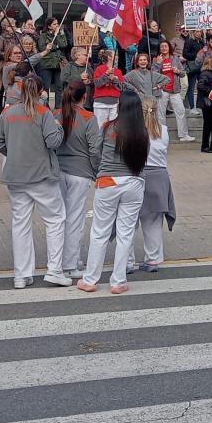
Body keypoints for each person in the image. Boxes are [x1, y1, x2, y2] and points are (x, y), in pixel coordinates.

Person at [0, 73, 67, 289]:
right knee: (54, 220)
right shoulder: (44, 113)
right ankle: (54, 270)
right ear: (41, 92)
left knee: (20, 223)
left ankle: (21, 274)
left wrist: (14, 153)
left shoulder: (7, 113)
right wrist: (59, 126)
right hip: (41, 174)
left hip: (16, 175)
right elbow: (53, 141)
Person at [78, 89, 149, 294]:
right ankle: (118, 281)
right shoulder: (142, 131)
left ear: (119, 105)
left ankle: (91, 279)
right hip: (134, 182)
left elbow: (96, 153)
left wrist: (97, 172)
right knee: (126, 234)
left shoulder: (108, 127)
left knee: (100, 232)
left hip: (108, 181)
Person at [55, 79, 102, 277]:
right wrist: (96, 171)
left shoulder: (55, 114)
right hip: (80, 172)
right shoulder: (89, 118)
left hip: (57, 170)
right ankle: (70, 264)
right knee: (74, 219)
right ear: (85, 96)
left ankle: (58, 261)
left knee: (57, 219)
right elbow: (95, 150)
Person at [131, 103, 176, 273]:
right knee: (154, 223)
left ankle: (127, 261)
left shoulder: (134, 130)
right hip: (159, 177)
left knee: (129, 222)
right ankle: (153, 260)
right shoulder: (163, 130)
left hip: (138, 174)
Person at [152, 40, 194, 142]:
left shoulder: (175, 58)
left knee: (181, 111)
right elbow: (153, 74)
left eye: (166, 46)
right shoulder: (156, 59)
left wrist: (178, 71)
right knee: (161, 114)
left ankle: (183, 135)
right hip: (162, 89)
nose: (164, 48)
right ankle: (162, 135)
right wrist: (158, 63)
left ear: (169, 48)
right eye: (162, 47)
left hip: (174, 90)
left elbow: (183, 73)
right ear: (159, 48)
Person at [36, 18, 69, 107]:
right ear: (49, 26)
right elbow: (43, 48)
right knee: (46, 86)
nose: (57, 26)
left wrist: (57, 35)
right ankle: (45, 107)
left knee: (59, 87)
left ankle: (58, 107)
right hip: (47, 64)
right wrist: (57, 46)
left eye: (57, 24)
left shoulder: (61, 33)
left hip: (58, 64)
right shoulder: (43, 35)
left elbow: (64, 44)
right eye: (54, 24)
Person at [92, 50, 125, 128]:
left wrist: (114, 79)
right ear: (110, 57)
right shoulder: (99, 69)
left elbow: (121, 87)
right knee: (100, 127)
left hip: (114, 103)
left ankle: (111, 141)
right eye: (115, 55)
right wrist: (106, 74)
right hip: (101, 103)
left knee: (113, 128)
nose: (117, 57)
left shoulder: (118, 71)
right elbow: (97, 83)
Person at [197, 56, 212, 153]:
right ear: (211, 64)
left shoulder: (210, 74)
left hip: (210, 102)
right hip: (207, 103)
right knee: (208, 125)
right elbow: (200, 85)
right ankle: (205, 146)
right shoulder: (206, 74)